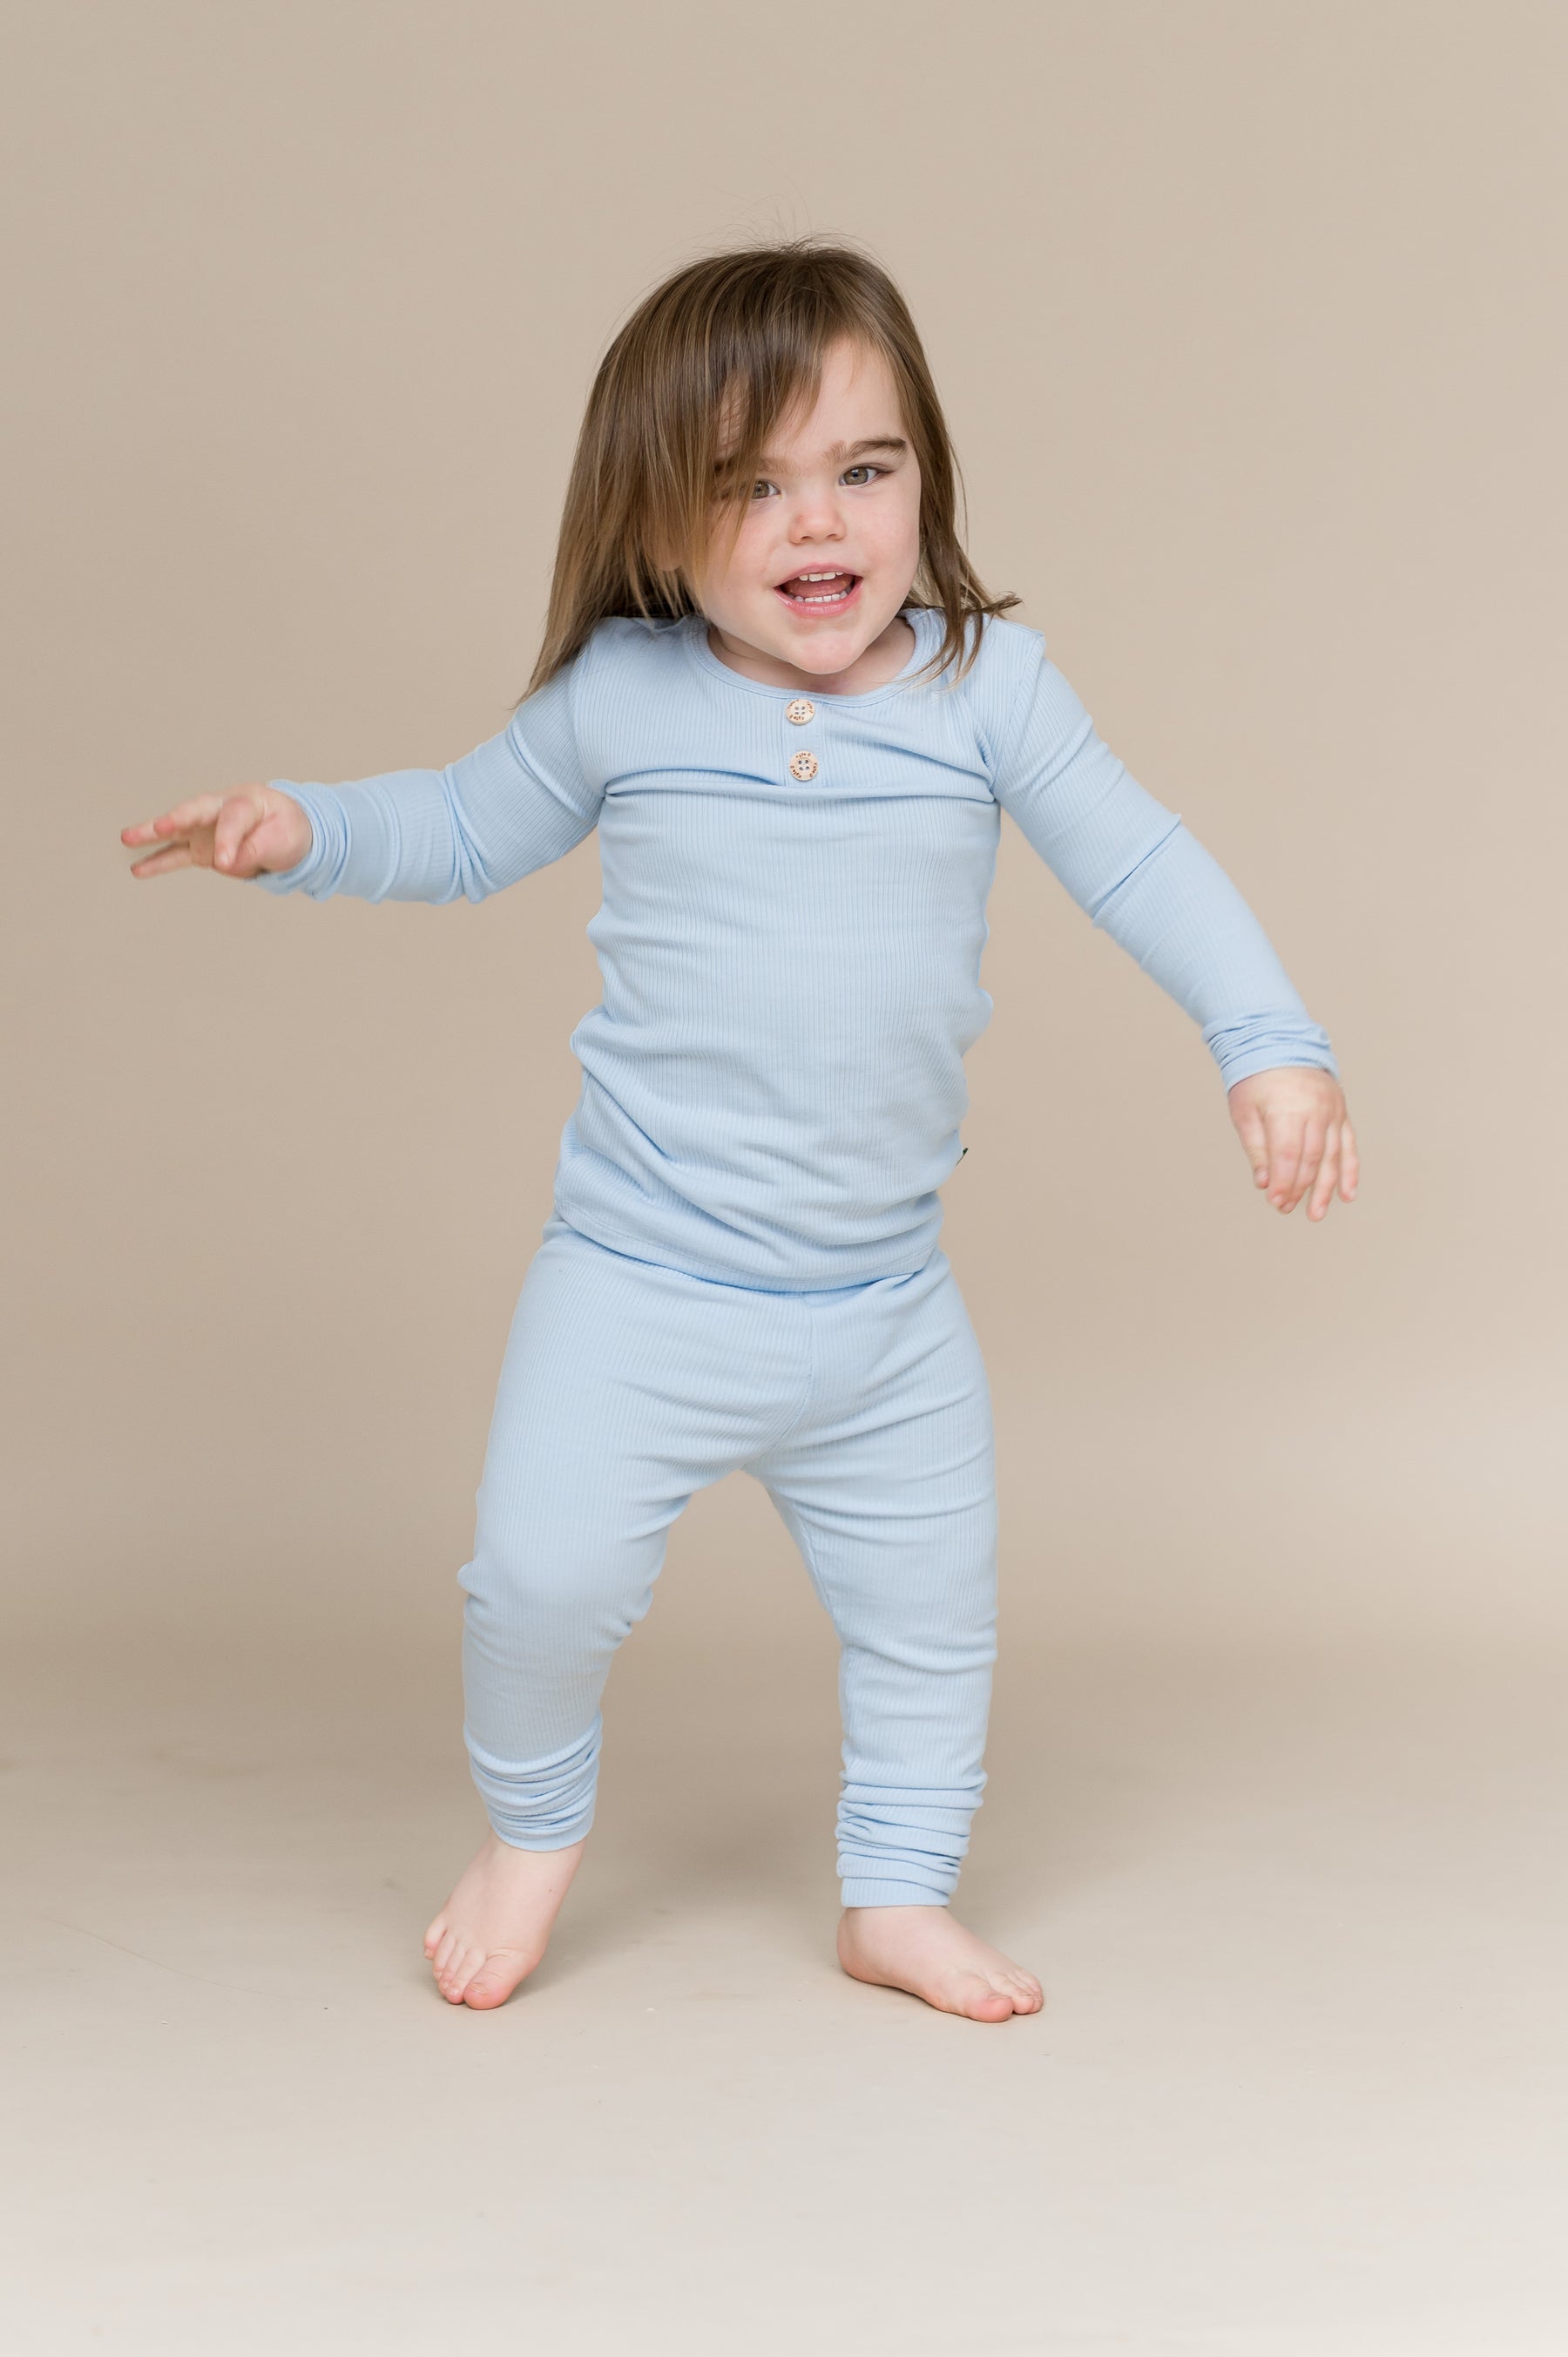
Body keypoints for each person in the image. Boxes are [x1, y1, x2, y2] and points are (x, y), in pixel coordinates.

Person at [121, 238, 1358, 2022]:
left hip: (883, 1310)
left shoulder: (988, 688)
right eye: (752, 487)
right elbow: (463, 829)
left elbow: (1146, 859)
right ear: (653, 521)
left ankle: (898, 1893)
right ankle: (532, 1832)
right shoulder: (626, 697)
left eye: (866, 469)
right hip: (638, 1285)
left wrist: (1270, 1043)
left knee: (934, 1616)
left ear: (928, 472)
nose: (818, 525)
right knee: (537, 1578)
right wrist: (298, 825)